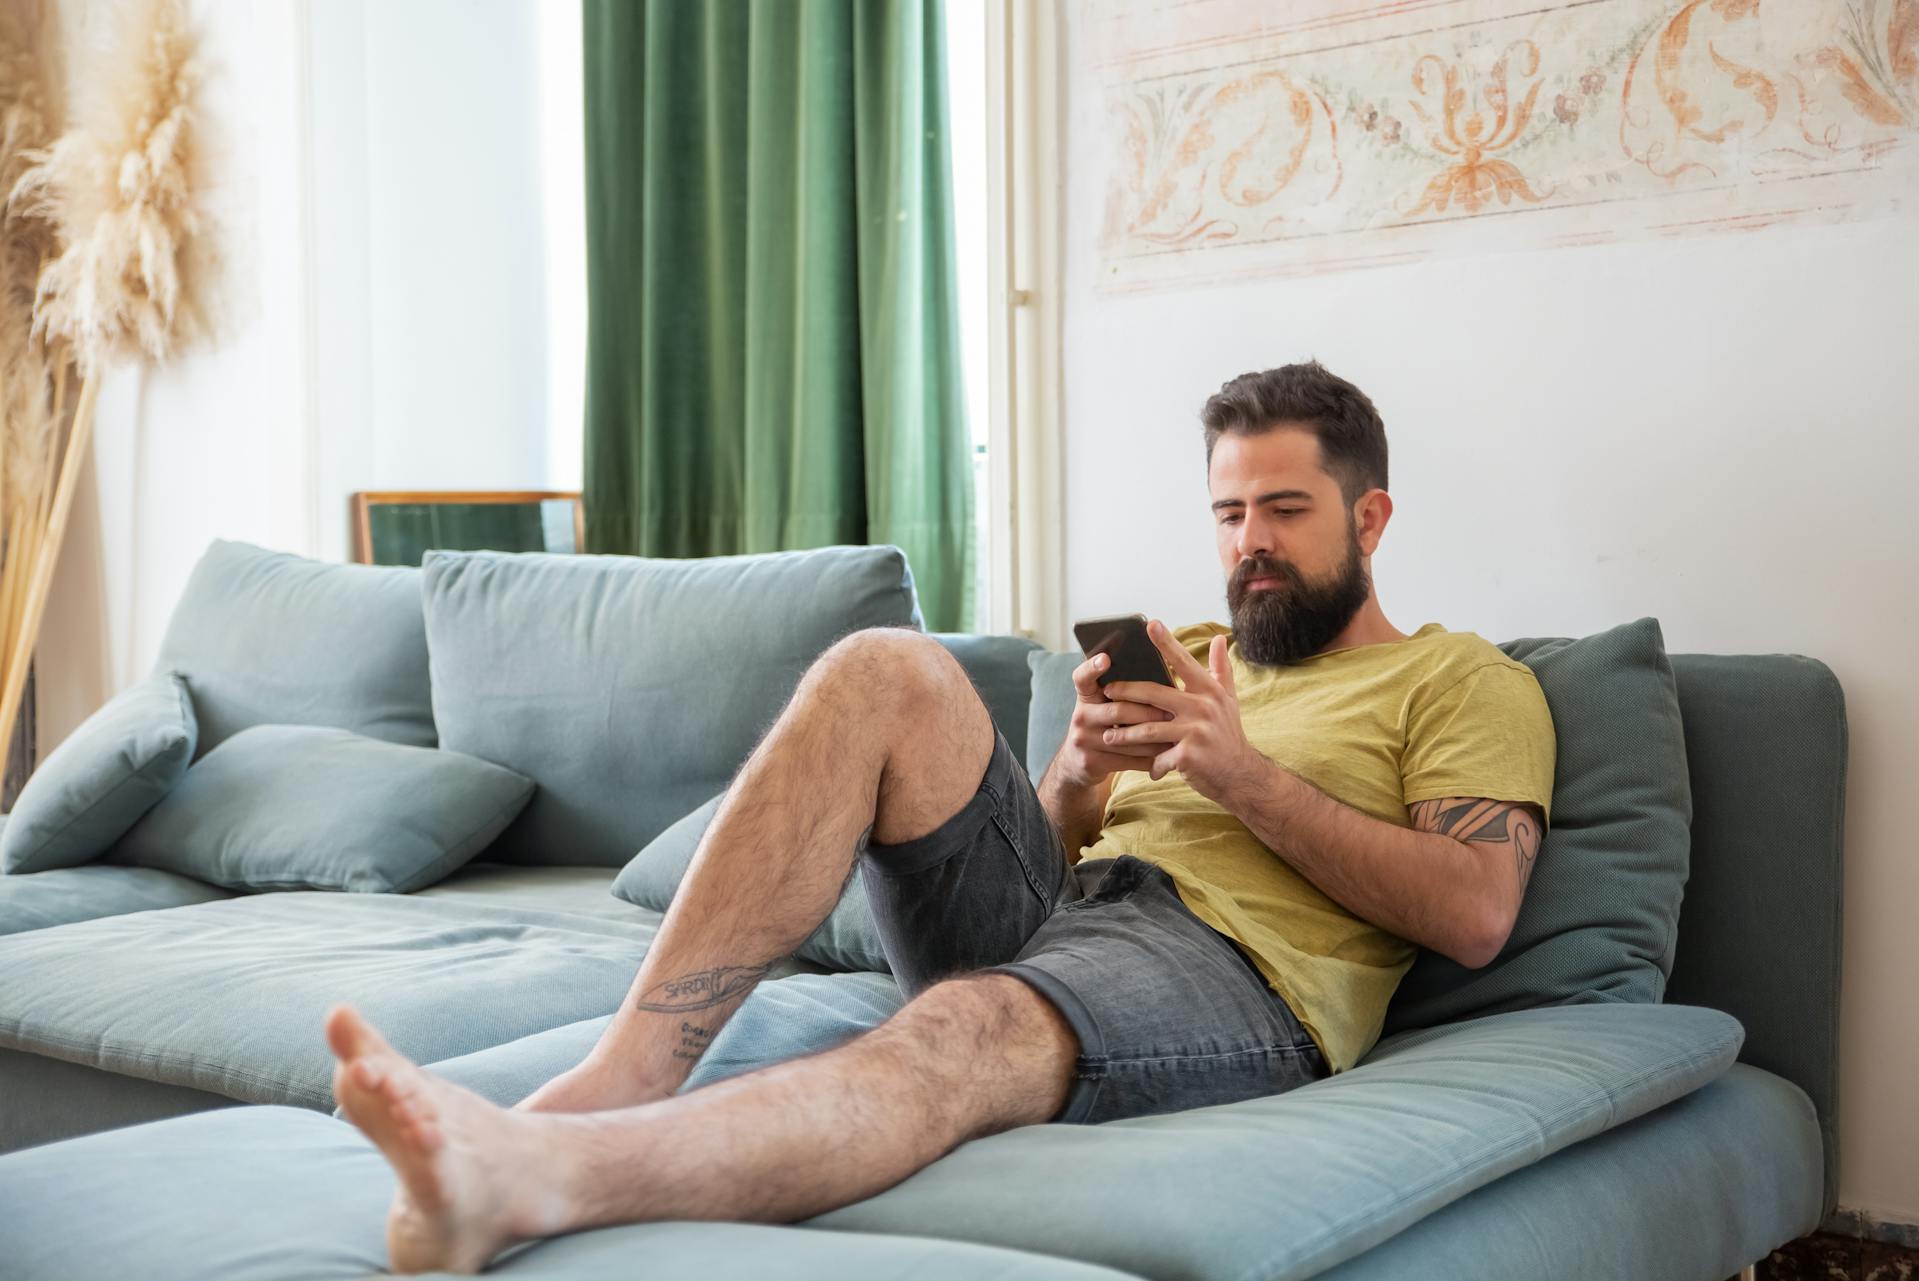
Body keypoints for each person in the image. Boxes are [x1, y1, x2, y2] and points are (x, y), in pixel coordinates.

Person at [324, 360, 1557, 1274]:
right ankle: (618, 1077)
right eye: (1228, 516)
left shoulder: (1461, 682)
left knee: (968, 1021)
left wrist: (1237, 774)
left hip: (1234, 971)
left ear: (1370, 517)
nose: (1249, 547)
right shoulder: (1185, 655)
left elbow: (1474, 912)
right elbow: (1053, 856)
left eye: (1283, 510)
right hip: (1069, 913)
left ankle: (538, 1181)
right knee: (883, 666)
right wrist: (1074, 774)